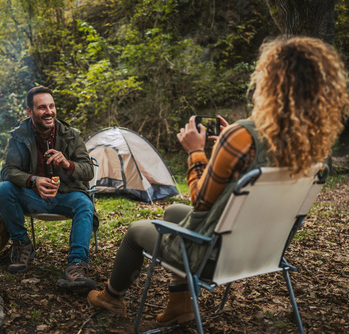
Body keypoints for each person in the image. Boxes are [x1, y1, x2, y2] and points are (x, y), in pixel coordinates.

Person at [87, 36, 349, 324]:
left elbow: (200, 203)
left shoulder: (243, 136)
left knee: (137, 230)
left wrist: (196, 152)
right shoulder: (313, 149)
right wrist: (230, 142)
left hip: (216, 257)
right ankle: (179, 304)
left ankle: (111, 297)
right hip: (262, 251)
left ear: (269, 83)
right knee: (174, 212)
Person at [0, 86, 96, 292]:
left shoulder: (71, 135)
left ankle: (76, 265)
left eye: (51, 106)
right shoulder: (19, 136)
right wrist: (33, 180)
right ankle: (22, 244)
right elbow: (8, 171)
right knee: (3, 189)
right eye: (42, 107)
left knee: (85, 203)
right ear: (29, 112)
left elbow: (88, 171)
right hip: (34, 197)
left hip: (66, 196)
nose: (49, 112)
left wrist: (67, 164)